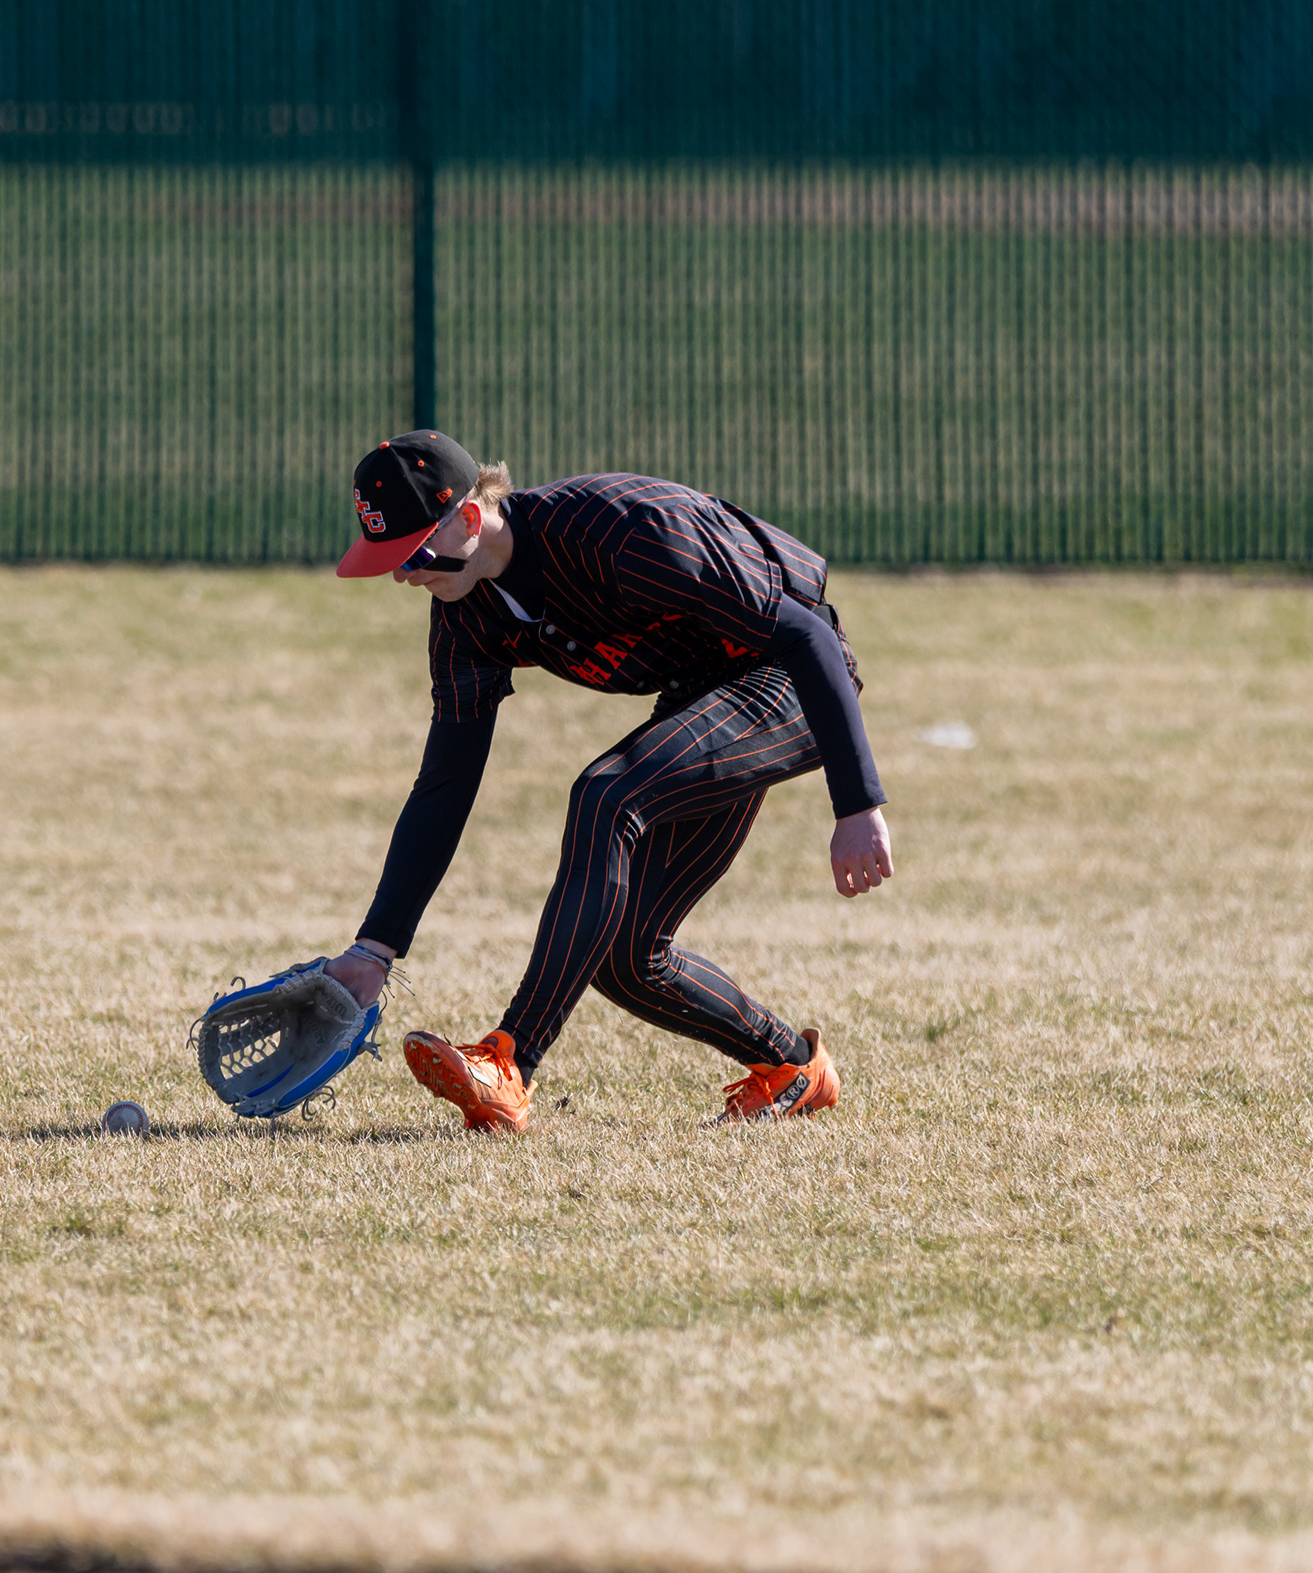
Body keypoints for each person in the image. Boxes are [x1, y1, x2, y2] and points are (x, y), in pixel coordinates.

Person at [325, 430, 892, 1135]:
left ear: (469, 518)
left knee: (606, 793)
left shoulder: (618, 531)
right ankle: (792, 1067)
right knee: (626, 958)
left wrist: (856, 803)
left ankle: (510, 1061)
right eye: (389, 562)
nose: (404, 577)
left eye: (412, 555)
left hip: (788, 675)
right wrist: (375, 949)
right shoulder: (464, 615)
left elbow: (808, 637)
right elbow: (446, 783)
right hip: (701, 695)